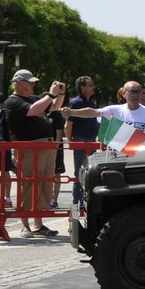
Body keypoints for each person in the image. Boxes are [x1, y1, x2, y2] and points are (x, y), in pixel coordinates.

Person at [3, 69, 64, 237]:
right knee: (28, 184)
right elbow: (34, 110)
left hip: (45, 146)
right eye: (30, 82)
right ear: (19, 83)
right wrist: (50, 95)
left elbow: (54, 108)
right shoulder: (12, 101)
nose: (33, 84)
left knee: (44, 183)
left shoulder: (34, 97)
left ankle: (39, 224)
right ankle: (25, 225)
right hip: (29, 149)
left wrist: (60, 94)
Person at [66, 76, 97, 204]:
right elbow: (68, 125)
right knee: (79, 171)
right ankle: (76, 202)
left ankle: (87, 201)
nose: (93, 87)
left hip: (91, 141)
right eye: (90, 85)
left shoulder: (91, 102)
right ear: (82, 87)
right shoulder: (75, 102)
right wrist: (71, 141)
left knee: (90, 171)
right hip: (80, 140)